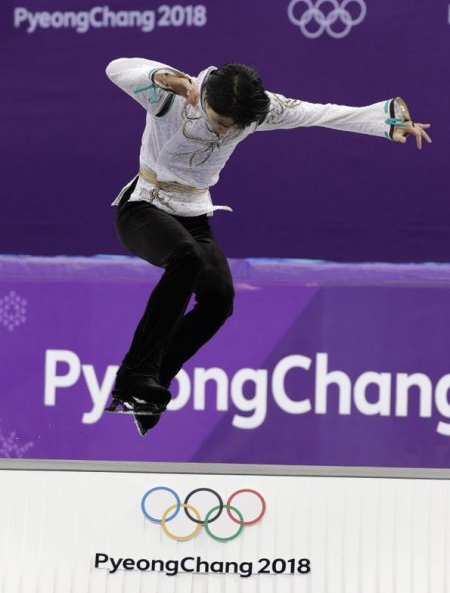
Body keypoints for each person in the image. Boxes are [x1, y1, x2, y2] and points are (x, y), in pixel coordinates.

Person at [105, 57, 431, 435]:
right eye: (220, 122)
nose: (225, 133)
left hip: (193, 213)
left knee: (219, 300)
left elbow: (320, 114)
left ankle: (152, 383)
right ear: (206, 97)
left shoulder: (259, 111)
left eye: (234, 128)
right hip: (143, 207)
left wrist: (385, 121)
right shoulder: (171, 95)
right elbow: (116, 68)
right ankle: (135, 376)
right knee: (186, 258)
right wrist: (161, 75)